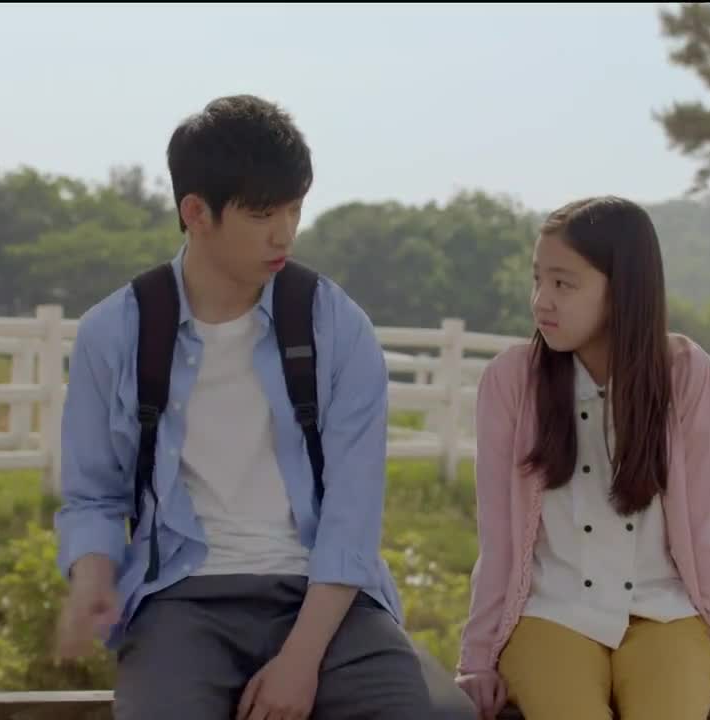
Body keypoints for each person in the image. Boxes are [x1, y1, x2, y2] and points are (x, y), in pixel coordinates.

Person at [53, 94, 451, 720]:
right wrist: (92, 576)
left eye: (294, 209)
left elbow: (352, 516)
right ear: (196, 213)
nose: (284, 233)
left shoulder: (335, 325)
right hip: (181, 598)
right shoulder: (116, 332)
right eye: (263, 214)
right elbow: (93, 495)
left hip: (327, 598)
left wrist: (301, 661)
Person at [454, 196, 710, 720]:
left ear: (622, 288)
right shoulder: (512, 380)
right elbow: (498, 538)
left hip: (665, 613)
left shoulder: (684, 373)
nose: (541, 301)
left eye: (564, 284)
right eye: (538, 279)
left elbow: (703, 531)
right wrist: (476, 661)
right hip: (550, 614)